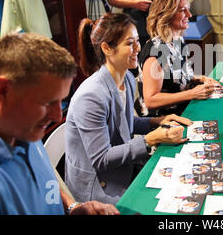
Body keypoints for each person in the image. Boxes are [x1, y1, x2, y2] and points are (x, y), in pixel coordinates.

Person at [0, 32, 119, 215]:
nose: (56, 115)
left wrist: (72, 208)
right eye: (46, 103)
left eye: (60, 102)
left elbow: (45, 184)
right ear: (3, 90)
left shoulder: (22, 127)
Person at [64, 13, 191, 205]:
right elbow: (101, 159)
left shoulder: (128, 79)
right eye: (129, 43)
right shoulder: (91, 96)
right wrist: (152, 139)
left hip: (126, 169)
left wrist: (158, 121)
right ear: (107, 48)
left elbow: (125, 124)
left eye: (137, 41)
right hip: (99, 190)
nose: (138, 49)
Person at [138, 0, 220, 116]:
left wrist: (201, 79)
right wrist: (193, 93)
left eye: (188, 9)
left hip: (184, 109)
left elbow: (177, 78)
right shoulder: (155, 52)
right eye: (182, 10)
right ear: (166, 14)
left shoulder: (177, 41)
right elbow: (150, 100)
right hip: (163, 120)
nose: (189, 14)